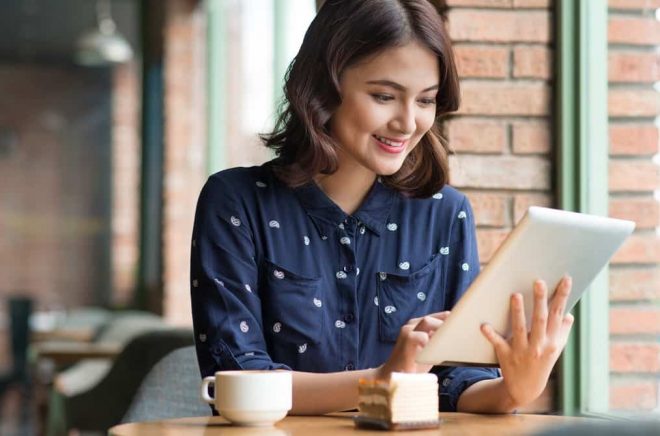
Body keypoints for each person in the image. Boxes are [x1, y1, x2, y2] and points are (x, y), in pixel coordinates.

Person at [190, 0, 574, 415]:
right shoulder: (235, 202)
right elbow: (234, 379)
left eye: (425, 100)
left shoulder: (445, 213)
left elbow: (455, 380)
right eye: (385, 96)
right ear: (324, 87)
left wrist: (516, 389)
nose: (408, 122)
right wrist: (382, 381)